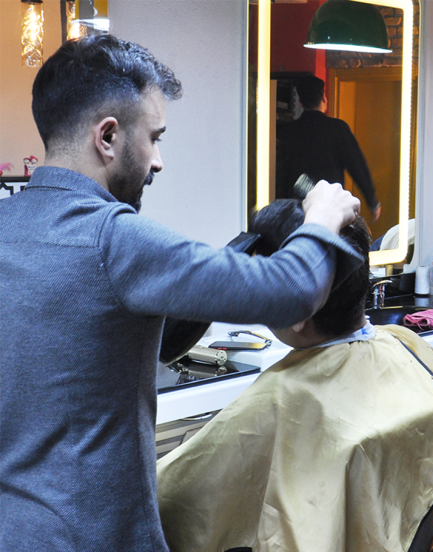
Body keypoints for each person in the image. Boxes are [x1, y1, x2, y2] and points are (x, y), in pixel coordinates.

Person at [0, 35, 362, 551]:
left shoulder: (8, 223)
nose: (158, 161)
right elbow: (293, 293)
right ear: (108, 136)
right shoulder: (113, 239)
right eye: (154, 137)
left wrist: (217, 275)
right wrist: (321, 221)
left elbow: (136, 340)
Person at [156, 201, 433, 552]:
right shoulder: (403, 342)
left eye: (267, 289)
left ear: (294, 308)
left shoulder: (282, 394)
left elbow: (168, 500)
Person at [276, 76, 381, 221]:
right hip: (330, 207)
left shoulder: (288, 131)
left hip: (298, 208)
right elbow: (357, 166)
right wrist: (372, 201)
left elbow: (281, 174)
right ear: (324, 98)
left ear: (300, 102)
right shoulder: (338, 129)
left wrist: (280, 208)